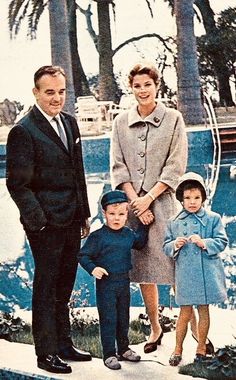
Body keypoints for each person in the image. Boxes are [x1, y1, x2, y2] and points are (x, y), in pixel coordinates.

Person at [6, 65, 92, 374]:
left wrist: (83, 213)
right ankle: (46, 353)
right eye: (50, 92)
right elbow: (17, 184)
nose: (57, 98)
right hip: (45, 225)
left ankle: (64, 344)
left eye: (61, 92)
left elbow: (78, 173)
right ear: (36, 93)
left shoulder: (69, 123)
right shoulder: (24, 130)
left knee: (65, 284)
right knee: (46, 287)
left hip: (71, 218)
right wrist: (39, 222)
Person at [110, 62, 188, 353]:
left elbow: (175, 166)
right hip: (132, 208)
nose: (143, 90)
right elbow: (118, 168)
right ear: (131, 89)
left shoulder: (173, 119)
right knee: (143, 270)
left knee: (177, 265)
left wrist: (149, 199)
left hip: (164, 205)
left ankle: (191, 331)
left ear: (157, 86)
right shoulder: (120, 122)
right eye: (137, 86)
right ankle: (155, 328)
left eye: (148, 85)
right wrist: (136, 203)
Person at [163, 172, 228, 365]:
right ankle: (177, 349)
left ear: (203, 198)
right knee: (184, 312)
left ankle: (201, 348)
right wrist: (175, 244)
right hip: (185, 274)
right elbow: (165, 246)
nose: (192, 202)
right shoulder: (173, 222)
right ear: (181, 200)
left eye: (197, 198)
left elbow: (222, 241)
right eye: (188, 198)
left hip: (207, 273)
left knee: (204, 310)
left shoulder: (213, 219)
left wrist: (204, 242)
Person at [79, 190, 148, 370]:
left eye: (121, 214)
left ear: (127, 214)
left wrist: (145, 224)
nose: (116, 218)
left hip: (123, 282)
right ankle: (109, 354)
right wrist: (93, 268)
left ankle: (123, 349)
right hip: (106, 284)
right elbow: (83, 255)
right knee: (108, 318)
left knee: (123, 317)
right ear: (104, 214)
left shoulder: (127, 234)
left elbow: (140, 243)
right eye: (112, 214)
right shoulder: (98, 236)